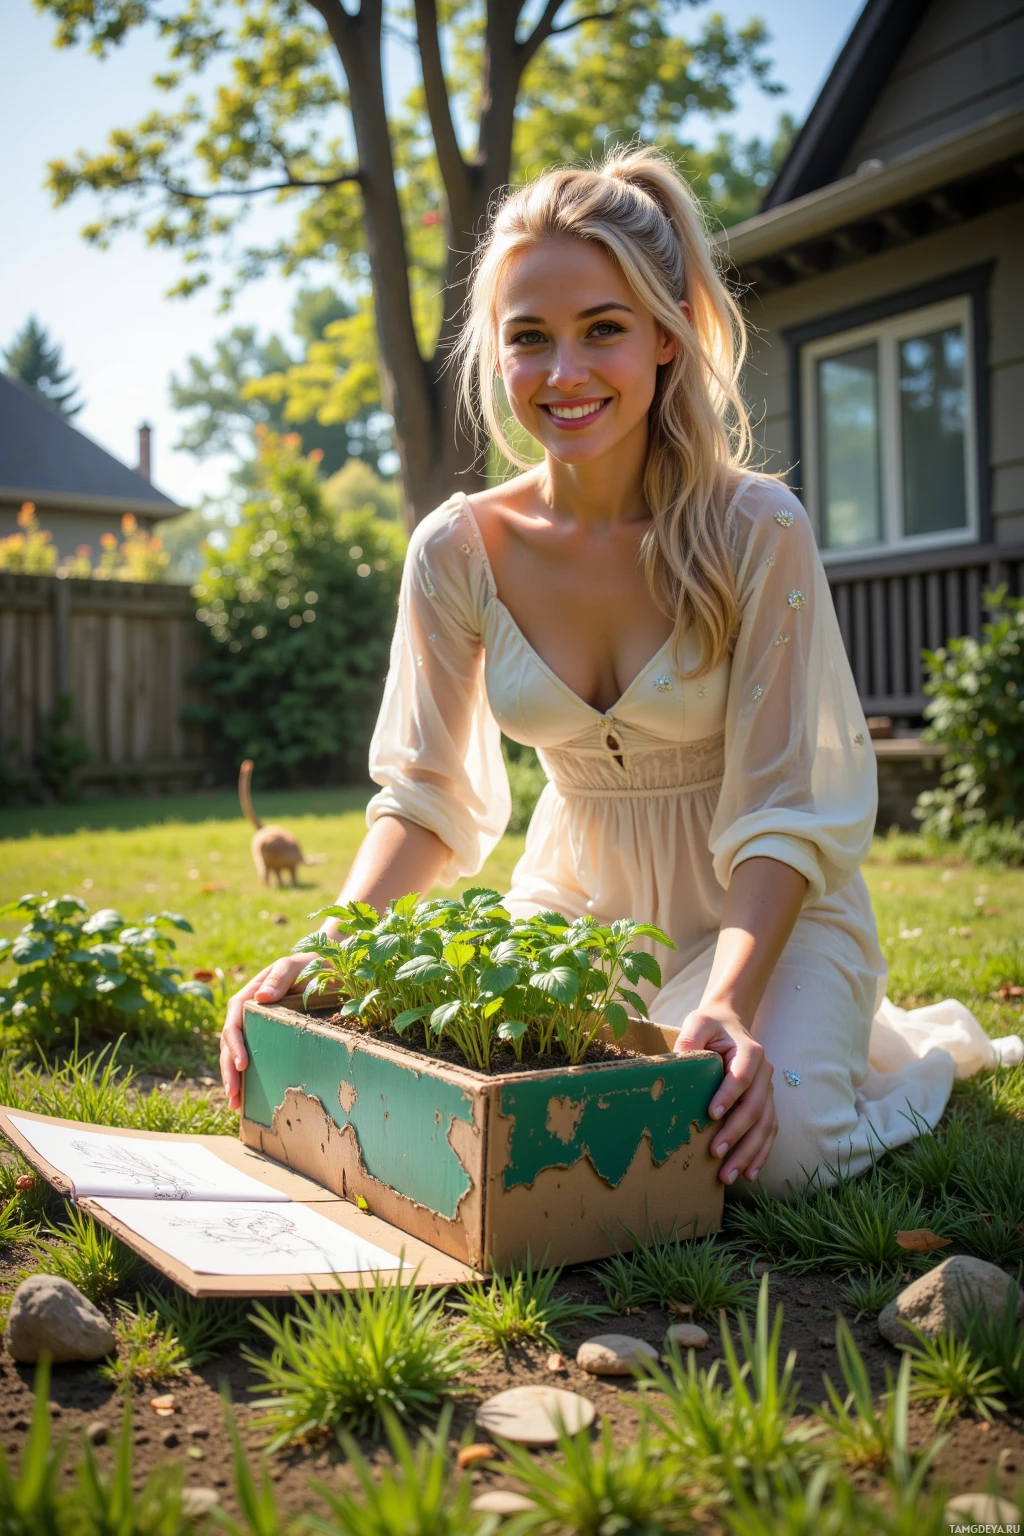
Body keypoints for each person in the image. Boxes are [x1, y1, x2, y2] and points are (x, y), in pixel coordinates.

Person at [220, 143, 1021, 1203]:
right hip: (575, 912)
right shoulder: (456, 549)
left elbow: (788, 807)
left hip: (763, 918)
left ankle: (908, 1062)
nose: (564, 373)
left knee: (763, 1157)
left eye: (601, 328)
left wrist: (729, 1002)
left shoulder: (753, 530)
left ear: (664, 334)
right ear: (495, 357)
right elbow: (422, 797)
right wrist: (324, 953)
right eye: (529, 339)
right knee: (483, 1100)